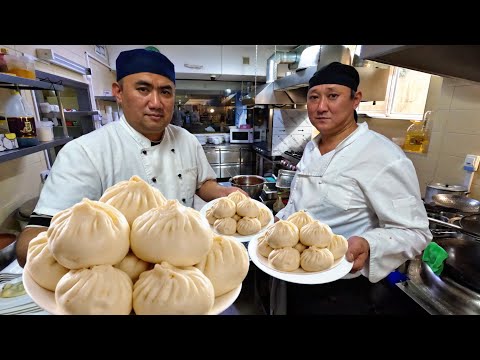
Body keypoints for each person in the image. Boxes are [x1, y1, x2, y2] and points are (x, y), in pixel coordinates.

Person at [16, 48, 246, 267]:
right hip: (124, 277)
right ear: (119, 92)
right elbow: (33, 239)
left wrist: (224, 193)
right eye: (143, 89)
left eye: (165, 91)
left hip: (189, 259)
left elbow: (203, 184)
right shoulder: (85, 152)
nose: (156, 103)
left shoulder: (186, 139)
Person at [272, 61, 432, 314]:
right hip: (296, 276)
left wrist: (368, 243)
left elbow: (416, 232)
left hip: (340, 292)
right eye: (314, 97)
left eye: (333, 96)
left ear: (356, 99)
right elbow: (303, 206)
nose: (321, 107)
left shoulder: (383, 156)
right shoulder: (313, 148)